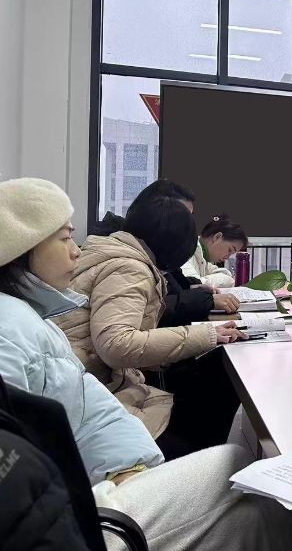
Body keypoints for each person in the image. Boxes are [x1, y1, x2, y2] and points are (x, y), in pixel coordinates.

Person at [0, 177, 292, 551]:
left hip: (110, 462)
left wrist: (133, 461)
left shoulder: (35, 316)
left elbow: (80, 410)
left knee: (249, 500)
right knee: (243, 472)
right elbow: (115, 346)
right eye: (65, 238)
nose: (76, 251)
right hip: (94, 502)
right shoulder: (11, 328)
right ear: (24, 248)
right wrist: (121, 473)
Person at [57, 194, 246, 458]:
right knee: (218, 377)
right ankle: (200, 463)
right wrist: (206, 335)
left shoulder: (111, 252)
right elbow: (117, 344)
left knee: (212, 369)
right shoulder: (129, 267)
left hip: (97, 385)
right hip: (101, 394)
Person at [90, 179, 241, 324]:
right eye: (181, 216)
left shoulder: (153, 250)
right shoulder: (126, 258)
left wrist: (192, 288)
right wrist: (205, 304)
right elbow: (149, 312)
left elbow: (168, 290)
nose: (186, 224)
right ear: (156, 210)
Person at [182, 214, 247, 289]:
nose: (227, 257)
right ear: (217, 237)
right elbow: (194, 286)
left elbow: (226, 274)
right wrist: (226, 279)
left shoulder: (203, 258)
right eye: (230, 250)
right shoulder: (185, 251)